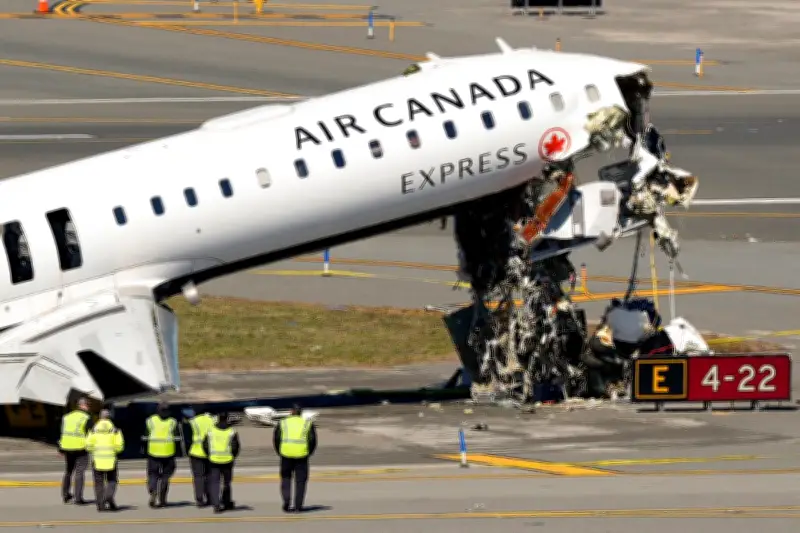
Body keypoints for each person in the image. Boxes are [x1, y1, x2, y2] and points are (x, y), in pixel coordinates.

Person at [273, 404, 317, 513]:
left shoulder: (283, 422)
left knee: (286, 478)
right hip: (302, 455)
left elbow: (277, 438)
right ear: (300, 413)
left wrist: (280, 451)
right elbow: (312, 441)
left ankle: (287, 502)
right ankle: (298, 506)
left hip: (286, 454)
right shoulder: (307, 423)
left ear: (291, 412)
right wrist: (308, 453)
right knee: (301, 481)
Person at [85, 409, 124, 512]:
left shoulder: (93, 429)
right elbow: (120, 446)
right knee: (112, 480)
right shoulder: (115, 430)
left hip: (97, 460)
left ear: (100, 417)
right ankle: (108, 496)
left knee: (98, 483)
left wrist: (95, 451)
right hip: (111, 460)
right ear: (109, 418)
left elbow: (88, 445)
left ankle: (100, 505)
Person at [143, 402, 180, 508]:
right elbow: (177, 438)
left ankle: (153, 490)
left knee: (152, 474)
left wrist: (144, 450)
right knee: (165, 477)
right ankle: (162, 499)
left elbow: (145, 436)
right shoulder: (173, 422)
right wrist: (178, 451)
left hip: (153, 452)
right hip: (168, 453)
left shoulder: (150, 421)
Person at [58, 397, 93, 505]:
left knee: (68, 471)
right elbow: (91, 433)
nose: (88, 407)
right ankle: (78, 497)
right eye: (88, 405)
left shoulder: (67, 417)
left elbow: (62, 432)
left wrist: (60, 448)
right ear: (84, 405)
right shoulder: (86, 417)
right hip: (80, 448)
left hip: (67, 447)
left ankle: (65, 494)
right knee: (79, 472)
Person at [203, 412, 240, 513]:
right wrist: (232, 456)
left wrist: (209, 455)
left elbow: (205, 445)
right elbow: (235, 446)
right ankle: (227, 502)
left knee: (215, 483)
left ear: (218, 418)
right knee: (227, 483)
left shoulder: (211, 431)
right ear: (227, 418)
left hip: (214, 460)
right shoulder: (232, 431)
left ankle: (216, 504)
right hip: (227, 460)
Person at [187, 409, 217, 507]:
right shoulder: (214, 420)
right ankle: (210, 497)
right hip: (210, 452)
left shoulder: (193, 421)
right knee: (210, 476)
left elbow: (188, 437)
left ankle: (199, 499)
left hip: (196, 452)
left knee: (198, 477)